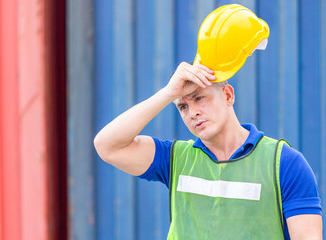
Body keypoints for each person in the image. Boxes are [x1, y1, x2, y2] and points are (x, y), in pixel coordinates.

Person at [94, 4, 322, 240]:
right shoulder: (175, 160)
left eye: (199, 98)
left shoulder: (285, 163)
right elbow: (107, 145)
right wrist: (168, 93)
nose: (192, 112)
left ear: (228, 95)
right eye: (183, 106)